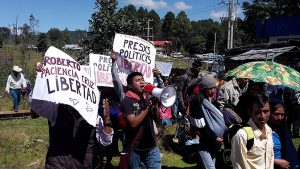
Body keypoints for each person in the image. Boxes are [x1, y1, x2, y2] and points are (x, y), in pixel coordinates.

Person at [30, 62, 114, 168]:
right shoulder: (57, 109)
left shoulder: (94, 117)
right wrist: (41, 78)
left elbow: (105, 141)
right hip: (56, 165)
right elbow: (36, 105)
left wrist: (107, 121)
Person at [120, 72, 161, 169]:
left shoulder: (145, 98)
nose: (142, 82)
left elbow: (157, 120)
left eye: (142, 79)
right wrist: (147, 108)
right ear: (130, 85)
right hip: (135, 148)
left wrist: (155, 107)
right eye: (138, 81)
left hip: (151, 145)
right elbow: (133, 123)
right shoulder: (127, 100)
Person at [188, 74, 227, 168]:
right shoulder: (196, 102)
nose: (213, 90)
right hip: (203, 141)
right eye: (210, 88)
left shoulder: (212, 101)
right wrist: (215, 138)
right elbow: (199, 126)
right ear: (204, 88)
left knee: (211, 165)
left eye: (214, 88)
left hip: (215, 142)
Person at [231, 94, 274, 169]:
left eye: (266, 111)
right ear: (250, 112)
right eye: (258, 112)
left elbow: (270, 159)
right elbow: (238, 166)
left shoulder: (269, 130)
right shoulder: (242, 135)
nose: (263, 116)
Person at [268, 99, 299, 169]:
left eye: (282, 115)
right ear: (269, 113)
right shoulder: (261, 130)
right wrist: (274, 161)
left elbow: (290, 150)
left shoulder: (283, 130)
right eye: (276, 114)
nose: (279, 118)